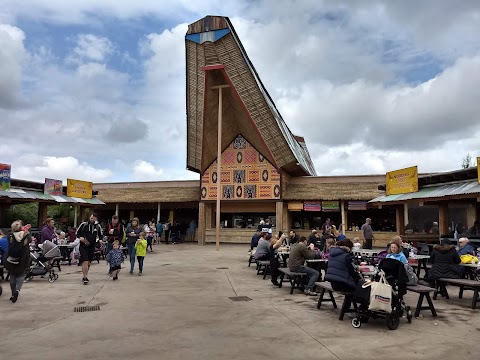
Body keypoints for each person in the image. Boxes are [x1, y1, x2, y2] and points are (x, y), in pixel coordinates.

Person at [4, 220, 31, 303]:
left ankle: (12, 294)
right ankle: (17, 290)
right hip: (23, 259)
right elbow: (29, 241)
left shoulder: (9, 235)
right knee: (21, 275)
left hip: (11, 258)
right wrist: (26, 231)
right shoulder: (26, 235)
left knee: (12, 275)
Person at [76, 213, 103, 285]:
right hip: (83, 245)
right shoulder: (83, 224)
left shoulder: (97, 226)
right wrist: (80, 237)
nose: (92, 219)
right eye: (91, 218)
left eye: (93, 218)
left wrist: (100, 240)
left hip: (92, 246)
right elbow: (77, 233)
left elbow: (100, 235)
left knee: (89, 262)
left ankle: (85, 273)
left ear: (96, 219)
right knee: (85, 260)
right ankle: (85, 277)